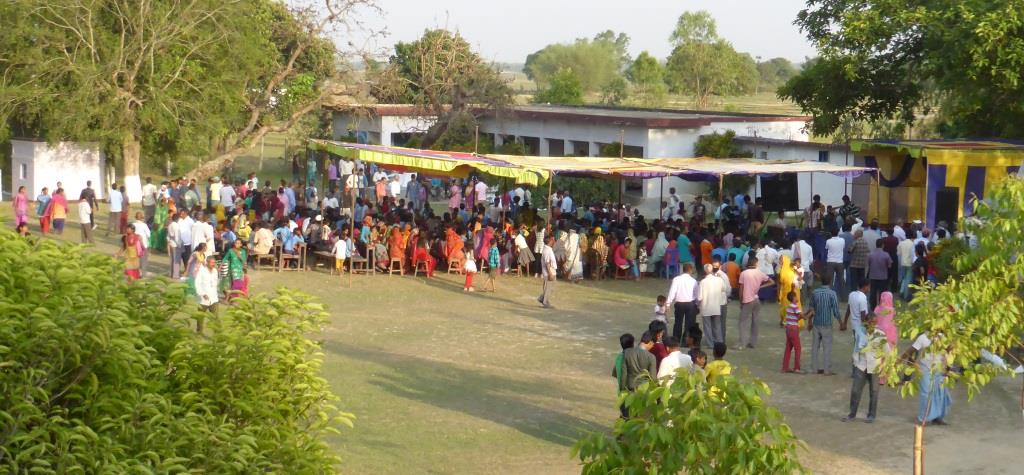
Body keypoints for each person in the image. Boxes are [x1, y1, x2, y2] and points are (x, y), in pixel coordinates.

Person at [842, 313, 886, 423]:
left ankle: (871, 415)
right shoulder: (860, 333)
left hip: (874, 366)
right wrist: (854, 359)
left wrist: (883, 368)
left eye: (874, 323)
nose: (872, 325)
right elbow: (856, 346)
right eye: (870, 323)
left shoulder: (880, 335)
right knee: (856, 390)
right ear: (865, 323)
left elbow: (886, 352)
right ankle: (852, 414)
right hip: (861, 365)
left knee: (874, 392)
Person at [903, 332, 952, 424]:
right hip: (925, 369)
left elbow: (948, 352)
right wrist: (899, 361)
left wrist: (948, 367)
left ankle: (938, 418)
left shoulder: (943, 337)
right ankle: (923, 418)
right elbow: (911, 350)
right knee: (925, 394)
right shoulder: (923, 337)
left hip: (939, 369)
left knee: (940, 393)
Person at [612, 332, 656, 419]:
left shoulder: (627, 353)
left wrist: (622, 391)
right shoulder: (651, 357)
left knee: (627, 417)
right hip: (643, 392)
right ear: (650, 342)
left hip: (629, 390)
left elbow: (623, 375)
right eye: (652, 345)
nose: (653, 347)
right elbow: (653, 378)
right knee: (640, 418)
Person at [806, 273, 841, 375]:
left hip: (816, 322)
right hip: (827, 323)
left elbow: (811, 308)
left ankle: (814, 368)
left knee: (815, 347)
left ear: (820, 280)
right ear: (830, 281)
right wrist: (841, 322)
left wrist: (809, 322)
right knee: (827, 347)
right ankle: (826, 369)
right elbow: (835, 311)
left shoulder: (815, 292)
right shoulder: (832, 294)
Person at [738, 257, 773, 349]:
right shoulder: (759, 273)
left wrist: (740, 301)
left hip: (747, 299)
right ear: (756, 264)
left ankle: (743, 343)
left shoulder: (744, 273)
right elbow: (771, 282)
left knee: (743, 322)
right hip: (756, 298)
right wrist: (761, 287)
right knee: (755, 321)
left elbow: (741, 289)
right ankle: (753, 342)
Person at [666, 262, 699, 341]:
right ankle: (686, 340)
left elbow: (672, 292)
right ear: (690, 270)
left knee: (678, 322)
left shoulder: (676, 279)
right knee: (689, 323)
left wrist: (668, 303)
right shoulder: (694, 281)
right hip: (690, 303)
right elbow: (697, 294)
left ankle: (676, 339)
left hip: (679, 303)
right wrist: (697, 304)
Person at [699, 263, 727, 348]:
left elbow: (700, 297)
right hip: (716, 306)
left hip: (706, 307)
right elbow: (724, 289)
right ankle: (719, 342)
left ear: (705, 271)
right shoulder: (719, 280)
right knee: (717, 326)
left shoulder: (703, 282)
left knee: (707, 327)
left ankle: (711, 344)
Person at [194, 255, 219, 333]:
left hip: (214, 298)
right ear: (207, 263)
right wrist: (202, 293)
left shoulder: (215, 271)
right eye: (212, 263)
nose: (213, 264)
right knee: (200, 317)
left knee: (215, 317)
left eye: (214, 263)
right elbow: (197, 283)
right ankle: (199, 332)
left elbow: (216, 282)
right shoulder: (202, 271)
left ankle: (218, 333)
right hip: (203, 299)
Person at [781, 291, 804, 373]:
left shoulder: (789, 307)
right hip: (794, 329)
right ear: (793, 298)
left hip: (788, 328)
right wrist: (811, 312)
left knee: (788, 348)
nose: (797, 298)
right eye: (796, 296)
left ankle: (785, 367)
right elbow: (802, 316)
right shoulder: (795, 307)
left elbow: (797, 318)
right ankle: (797, 368)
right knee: (798, 348)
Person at [866, 239, 893, 307]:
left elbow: (868, 264)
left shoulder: (871, 254)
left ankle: (873, 307)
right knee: (882, 293)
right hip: (883, 277)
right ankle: (882, 306)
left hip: (873, 276)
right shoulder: (886, 255)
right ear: (882, 245)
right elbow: (890, 265)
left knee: (873, 293)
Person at [776, 255, 801, 326]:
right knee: (786, 306)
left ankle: (786, 321)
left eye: (781, 260)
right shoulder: (788, 270)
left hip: (790, 291)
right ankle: (785, 320)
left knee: (786, 306)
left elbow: (780, 283)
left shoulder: (786, 271)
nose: (780, 262)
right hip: (789, 291)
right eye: (780, 260)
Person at [825, 229, 847, 299]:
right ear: (838, 233)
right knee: (841, 280)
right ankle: (843, 297)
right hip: (839, 261)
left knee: (830, 280)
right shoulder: (842, 240)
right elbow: (843, 247)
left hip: (830, 261)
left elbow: (826, 248)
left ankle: (829, 296)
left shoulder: (828, 241)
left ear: (831, 234)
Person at [537, 234, 557, 308]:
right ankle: (545, 302)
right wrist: (550, 273)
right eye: (553, 240)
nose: (554, 241)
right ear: (550, 241)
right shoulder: (547, 250)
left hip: (549, 271)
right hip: (549, 271)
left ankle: (542, 298)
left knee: (550, 287)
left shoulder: (547, 249)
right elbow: (547, 263)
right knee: (549, 288)